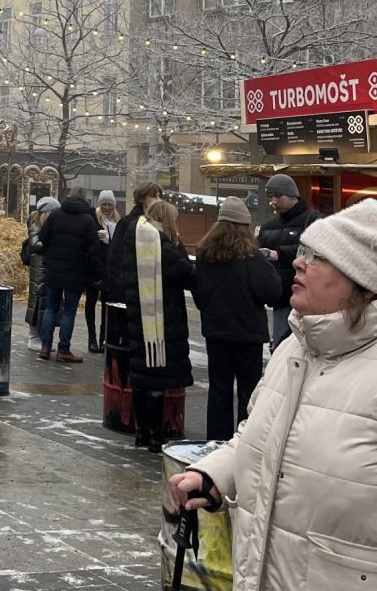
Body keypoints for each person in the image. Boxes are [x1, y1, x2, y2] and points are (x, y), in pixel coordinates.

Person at [170, 201, 377, 591]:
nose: (299, 264)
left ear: (361, 282)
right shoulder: (293, 350)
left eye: (318, 256)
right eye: (301, 251)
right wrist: (215, 473)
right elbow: (256, 439)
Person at [191, 197, 281, 441]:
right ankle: (243, 441)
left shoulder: (204, 254)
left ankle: (216, 442)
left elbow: (200, 295)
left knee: (218, 390)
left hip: (216, 332)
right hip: (247, 334)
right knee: (248, 392)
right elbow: (273, 292)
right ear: (244, 226)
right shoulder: (251, 257)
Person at [122, 198, 193, 451]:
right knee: (156, 378)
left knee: (142, 378)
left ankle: (141, 431)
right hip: (161, 323)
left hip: (138, 317)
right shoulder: (161, 244)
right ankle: (155, 435)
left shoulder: (136, 237)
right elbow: (186, 273)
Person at [37, 190, 102, 363]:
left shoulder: (56, 215)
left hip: (54, 268)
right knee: (69, 311)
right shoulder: (88, 220)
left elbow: (42, 237)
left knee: (51, 308)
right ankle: (63, 349)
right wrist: (96, 271)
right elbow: (94, 249)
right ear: (84, 200)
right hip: (76, 271)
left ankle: (45, 346)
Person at [255, 172, 316, 348]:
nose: (274, 201)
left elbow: (317, 250)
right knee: (282, 348)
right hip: (280, 298)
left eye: (278, 196)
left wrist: (279, 254)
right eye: (271, 196)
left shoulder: (313, 220)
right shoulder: (268, 227)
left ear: (292, 195)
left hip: (307, 299)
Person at [105, 181, 162, 305]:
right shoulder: (127, 224)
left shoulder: (159, 223)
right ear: (142, 199)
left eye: (159, 196)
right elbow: (115, 258)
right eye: (154, 196)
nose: (158, 200)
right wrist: (121, 289)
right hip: (130, 291)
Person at [85, 190, 119, 353]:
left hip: (109, 272)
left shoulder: (117, 222)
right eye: (104, 204)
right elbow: (88, 244)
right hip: (93, 270)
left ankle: (103, 338)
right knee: (91, 304)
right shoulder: (93, 219)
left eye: (110, 204)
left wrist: (109, 242)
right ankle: (92, 339)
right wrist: (100, 242)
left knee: (107, 307)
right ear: (99, 204)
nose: (107, 207)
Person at [22, 197, 57, 349]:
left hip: (45, 265)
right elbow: (35, 244)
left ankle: (41, 337)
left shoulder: (45, 223)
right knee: (36, 301)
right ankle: (34, 337)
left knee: (44, 301)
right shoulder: (36, 222)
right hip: (39, 266)